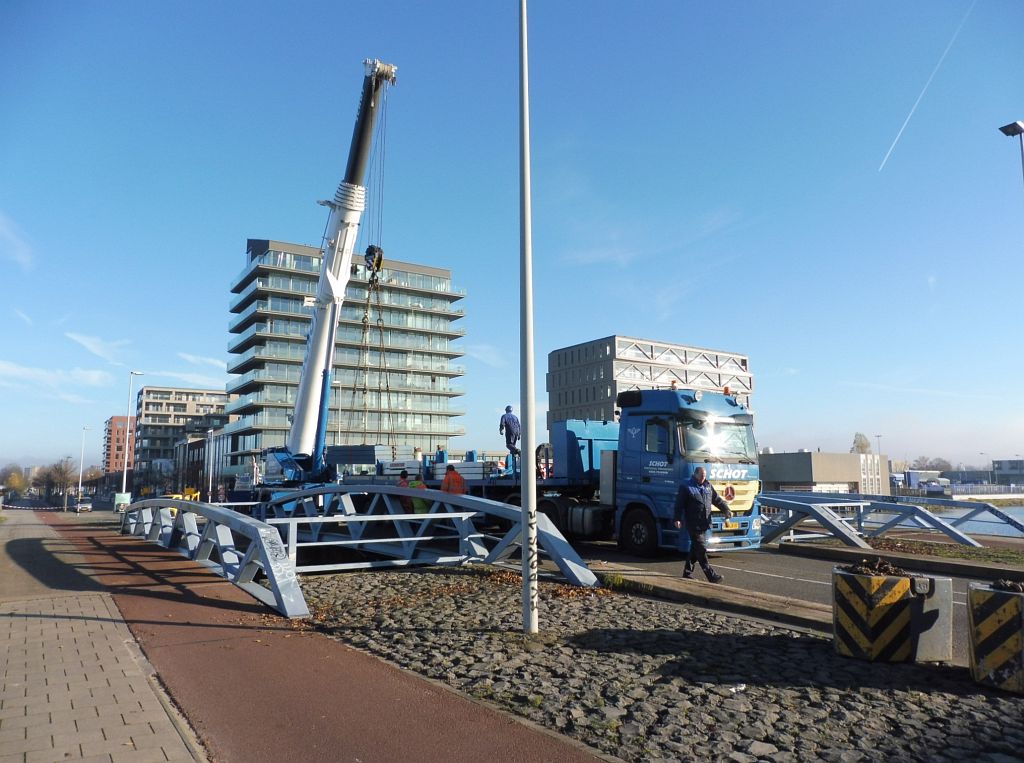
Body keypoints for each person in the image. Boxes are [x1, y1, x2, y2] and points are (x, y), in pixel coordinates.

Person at [673, 466, 732, 583]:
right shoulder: (686, 487)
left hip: (704, 523)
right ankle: (711, 576)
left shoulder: (708, 486)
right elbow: (679, 505)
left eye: (704, 476)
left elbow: (717, 500)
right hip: (693, 523)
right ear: (695, 475)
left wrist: (726, 510)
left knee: (695, 548)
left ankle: (687, 572)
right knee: (701, 549)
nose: (703, 478)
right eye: (701, 476)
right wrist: (677, 519)